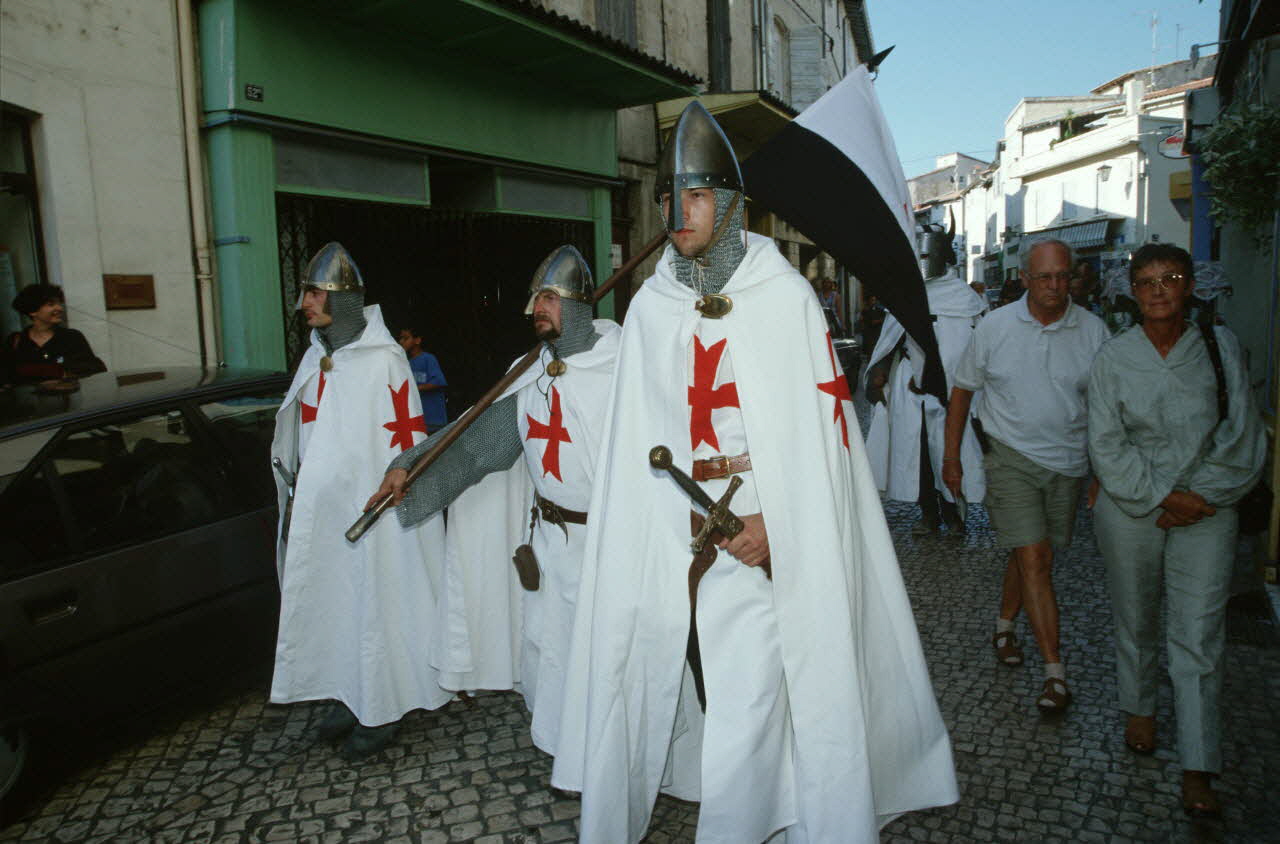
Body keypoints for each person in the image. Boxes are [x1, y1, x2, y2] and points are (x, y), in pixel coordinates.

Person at [550, 100, 957, 843]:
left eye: (698, 194)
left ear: (733, 206)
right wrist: (647, 531)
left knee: (749, 696)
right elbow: (636, 437)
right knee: (645, 669)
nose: (680, 209)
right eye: (671, 196)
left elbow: (818, 444)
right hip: (668, 531)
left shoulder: (785, 300)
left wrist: (779, 520)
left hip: (755, 530)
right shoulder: (652, 309)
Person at [367, 245, 620, 757]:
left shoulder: (622, 368)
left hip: (609, 546)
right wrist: (408, 467)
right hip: (549, 542)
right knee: (550, 648)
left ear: (577, 302)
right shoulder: (529, 373)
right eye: (535, 299)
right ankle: (562, 750)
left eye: (549, 297)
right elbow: (474, 442)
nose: (536, 309)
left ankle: (610, 760)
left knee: (605, 657)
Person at [1087, 244, 1265, 818]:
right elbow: (1106, 442)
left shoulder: (1219, 346)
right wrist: (1161, 496)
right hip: (1132, 506)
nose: (1158, 290)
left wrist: (1198, 497)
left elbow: (1242, 431)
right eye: (1146, 282)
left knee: (1198, 637)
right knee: (1136, 619)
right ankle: (1138, 707)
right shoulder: (1114, 357)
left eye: (1170, 278)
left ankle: (1198, 763)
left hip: (1209, 509)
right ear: (1131, 293)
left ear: (1190, 286)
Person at [269, 242, 451, 759]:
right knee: (338, 603)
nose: (305, 301)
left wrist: (382, 498)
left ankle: (382, 706)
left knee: (376, 608)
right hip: (326, 511)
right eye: (305, 291)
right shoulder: (319, 355)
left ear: (344, 298)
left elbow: (403, 441)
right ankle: (349, 695)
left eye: (315, 291)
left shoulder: (384, 362)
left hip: (374, 512)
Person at [942, 237, 1109, 712]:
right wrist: (951, 457)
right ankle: (1055, 672)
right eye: (1044, 277)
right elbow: (962, 393)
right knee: (1036, 559)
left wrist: (1101, 470)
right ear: (1024, 279)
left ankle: (1003, 624)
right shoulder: (995, 327)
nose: (1055, 286)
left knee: (1031, 554)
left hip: (1069, 464)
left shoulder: (1094, 331)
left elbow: (1104, 406)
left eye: (1062, 276)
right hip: (1010, 458)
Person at [865, 221, 987, 536]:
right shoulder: (907, 294)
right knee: (919, 457)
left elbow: (976, 344)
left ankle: (955, 516)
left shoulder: (964, 297)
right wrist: (880, 371)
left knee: (951, 452)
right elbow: (891, 339)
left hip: (954, 391)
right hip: (911, 390)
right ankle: (929, 515)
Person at [3, 284, 105, 385]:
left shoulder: (72, 337)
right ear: (33, 311)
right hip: (29, 401)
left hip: (66, 398)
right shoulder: (16, 341)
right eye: (51, 304)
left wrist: (63, 371)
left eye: (59, 303)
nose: (60, 308)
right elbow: (6, 376)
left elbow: (97, 368)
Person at [396, 326, 449, 433]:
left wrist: (413, 388)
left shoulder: (428, 358)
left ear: (417, 340)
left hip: (434, 419)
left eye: (405, 338)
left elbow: (439, 382)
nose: (401, 342)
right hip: (417, 420)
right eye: (400, 338)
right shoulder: (405, 363)